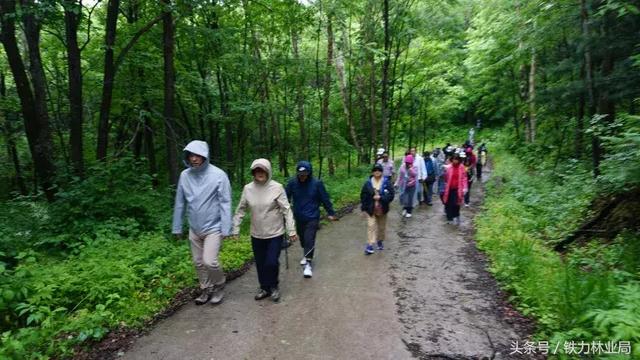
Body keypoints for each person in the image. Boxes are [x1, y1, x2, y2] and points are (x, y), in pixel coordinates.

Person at [172, 140, 232, 306]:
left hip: (213, 227)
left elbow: (225, 203)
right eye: (191, 155)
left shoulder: (218, 175)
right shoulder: (185, 176)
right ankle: (206, 288)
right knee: (198, 262)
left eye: (198, 155)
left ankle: (219, 285)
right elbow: (180, 202)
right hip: (194, 227)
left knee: (209, 261)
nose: (194, 159)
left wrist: (226, 229)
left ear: (205, 156)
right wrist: (177, 227)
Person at [232, 159, 298, 302]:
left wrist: (291, 230)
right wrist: (235, 229)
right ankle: (264, 287)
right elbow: (240, 210)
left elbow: (286, 210)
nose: (260, 173)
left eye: (262, 170)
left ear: (268, 171)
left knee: (271, 262)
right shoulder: (248, 189)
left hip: (275, 232)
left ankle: (274, 286)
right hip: (256, 233)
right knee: (261, 262)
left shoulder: (277, 187)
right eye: (257, 170)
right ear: (253, 172)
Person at [285, 161, 337, 279]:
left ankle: (308, 264)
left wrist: (331, 212)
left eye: (305, 173)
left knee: (309, 239)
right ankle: (306, 254)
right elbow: (285, 197)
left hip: (312, 217)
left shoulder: (317, 184)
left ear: (309, 173)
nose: (302, 176)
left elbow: (325, 198)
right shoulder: (292, 183)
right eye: (300, 174)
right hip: (299, 217)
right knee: (303, 239)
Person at [360, 163, 394, 254]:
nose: (377, 172)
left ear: (382, 172)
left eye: (379, 170)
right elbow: (363, 196)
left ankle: (379, 241)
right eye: (375, 170)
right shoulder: (368, 183)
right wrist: (363, 208)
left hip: (383, 209)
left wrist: (381, 197)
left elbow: (391, 196)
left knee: (381, 227)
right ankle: (369, 245)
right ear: (372, 172)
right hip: (371, 209)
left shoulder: (386, 182)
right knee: (371, 226)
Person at [442, 152, 468, 225]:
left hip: (457, 189)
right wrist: (444, 172)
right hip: (449, 189)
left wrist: (465, 187)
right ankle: (449, 218)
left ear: (459, 160)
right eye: (453, 159)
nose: (455, 161)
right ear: (452, 160)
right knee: (448, 204)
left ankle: (457, 216)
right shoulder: (449, 167)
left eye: (456, 159)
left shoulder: (462, 167)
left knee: (456, 204)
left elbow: (464, 178)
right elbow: (445, 177)